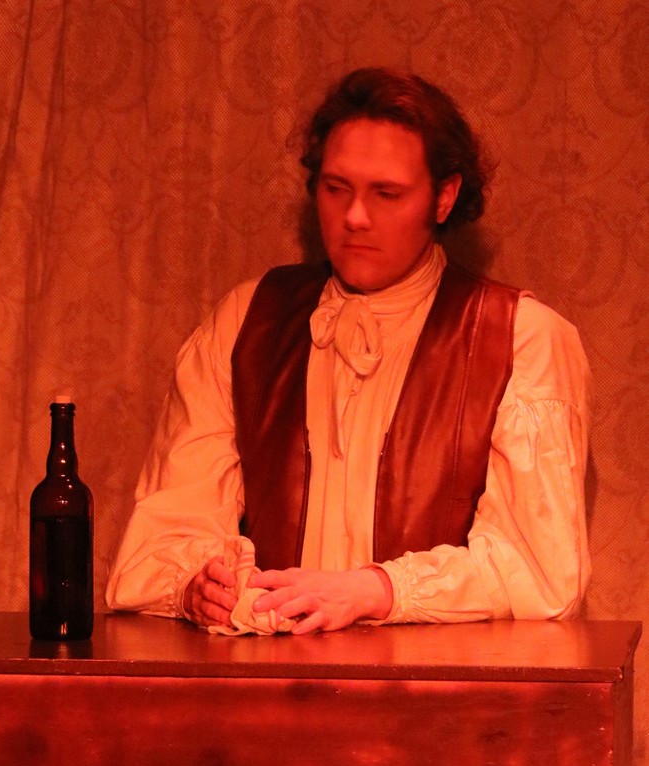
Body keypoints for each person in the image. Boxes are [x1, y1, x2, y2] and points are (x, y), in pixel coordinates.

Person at [105, 68, 591, 634]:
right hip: (267, 683)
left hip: (441, 686)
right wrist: (197, 586)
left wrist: (377, 590)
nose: (355, 217)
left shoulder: (521, 338)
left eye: (386, 194)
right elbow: (165, 530)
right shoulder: (247, 321)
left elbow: (538, 569)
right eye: (336, 189)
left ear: (444, 197)